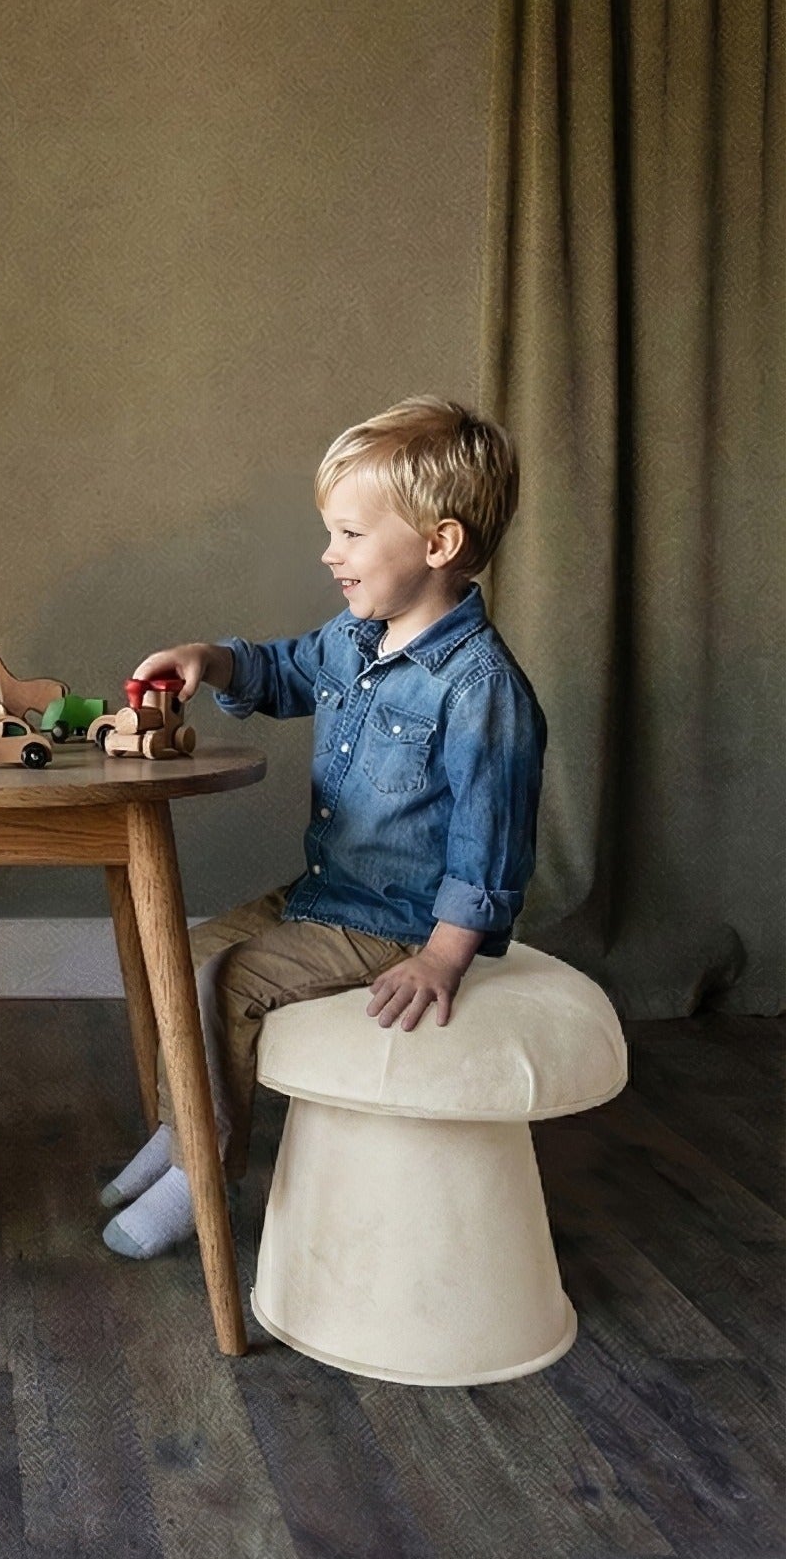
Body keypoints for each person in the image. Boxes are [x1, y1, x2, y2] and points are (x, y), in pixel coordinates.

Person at [101, 396, 546, 1260]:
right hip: (326, 893)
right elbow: (278, 669)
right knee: (184, 957)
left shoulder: (480, 690)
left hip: (400, 921)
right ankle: (179, 1124)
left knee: (227, 982)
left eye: (349, 535)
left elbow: (491, 847)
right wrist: (213, 659)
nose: (328, 554)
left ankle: (205, 1169)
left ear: (438, 544)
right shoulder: (356, 638)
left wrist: (444, 957)